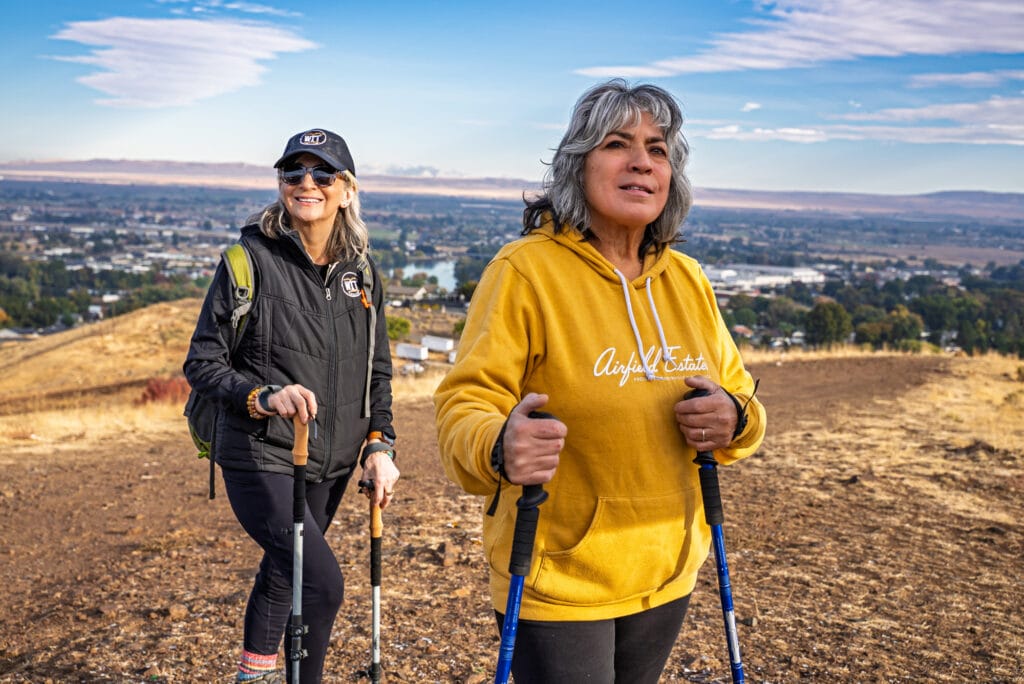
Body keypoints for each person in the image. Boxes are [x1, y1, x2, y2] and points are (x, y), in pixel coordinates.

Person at [434, 80, 766, 682]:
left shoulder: (688, 280)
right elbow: (466, 402)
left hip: (666, 569)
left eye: (658, 149)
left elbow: (742, 395)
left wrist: (733, 418)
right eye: (618, 143)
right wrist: (498, 443)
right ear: (577, 167)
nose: (642, 160)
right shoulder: (525, 272)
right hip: (558, 573)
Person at [184, 128, 399, 684]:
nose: (307, 183)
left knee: (286, 573)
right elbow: (202, 363)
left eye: (323, 174)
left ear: (347, 190)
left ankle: (251, 676)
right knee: (319, 584)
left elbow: (376, 372)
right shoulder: (247, 261)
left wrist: (380, 445)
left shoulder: (364, 275)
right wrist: (262, 397)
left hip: (331, 461)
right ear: (280, 184)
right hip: (261, 453)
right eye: (293, 173)